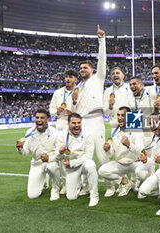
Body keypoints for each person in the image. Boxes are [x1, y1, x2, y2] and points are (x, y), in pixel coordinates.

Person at [71, 25, 107, 167]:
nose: (82, 70)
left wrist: (101, 40)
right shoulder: (78, 87)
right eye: (80, 68)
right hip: (82, 122)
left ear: (92, 70)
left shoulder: (98, 78)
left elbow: (102, 60)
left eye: (85, 67)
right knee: (83, 154)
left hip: (96, 120)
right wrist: (74, 102)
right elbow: (76, 108)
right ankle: (85, 185)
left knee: (101, 154)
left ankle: (114, 185)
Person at [99, 106, 151, 197]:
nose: (119, 118)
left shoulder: (136, 129)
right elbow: (111, 154)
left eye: (123, 115)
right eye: (118, 115)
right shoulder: (114, 131)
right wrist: (107, 149)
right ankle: (125, 182)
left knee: (142, 174)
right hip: (120, 164)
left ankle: (140, 185)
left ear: (129, 116)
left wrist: (129, 145)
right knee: (102, 171)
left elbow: (141, 151)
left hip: (135, 163)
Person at [15, 108, 60, 201]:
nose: (39, 120)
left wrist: (49, 158)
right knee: (32, 195)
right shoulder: (29, 132)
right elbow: (26, 152)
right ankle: (44, 180)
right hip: (36, 165)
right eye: (37, 117)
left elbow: (60, 154)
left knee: (52, 167)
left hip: (50, 162)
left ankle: (55, 189)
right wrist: (20, 149)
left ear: (48, 119)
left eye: (42, 118)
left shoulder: (55, 133)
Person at [55, 113, 99, 206]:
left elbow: (88, 156)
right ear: (68, 123)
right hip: (70, 168)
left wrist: (72, 163)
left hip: (82, 164)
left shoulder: (88, 135)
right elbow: (57, 157)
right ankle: (81, 185)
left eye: (79, 123)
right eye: (74, 123)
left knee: (91, 165)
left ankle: (94, 195)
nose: (77, 125)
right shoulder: (62, 135)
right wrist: (60, 152)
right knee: (71, 197)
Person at [49, 69, 78, 194]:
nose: (67, 79)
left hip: (74, 126)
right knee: (61, 155)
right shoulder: (58, 92)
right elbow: (50, 108)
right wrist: (57, 111)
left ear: (75, 79)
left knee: (74, 155)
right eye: (66, 77)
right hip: (60, 126)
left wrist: (74, 113)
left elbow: (83, 109)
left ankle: (78, 182)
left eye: (70, 77)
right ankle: (65, 184)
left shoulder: (79, 92)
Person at [103, 67, 134, 132]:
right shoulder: (107, 91)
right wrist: (110, 107)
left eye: (117, 73)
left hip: (129, 125)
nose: (115, 75)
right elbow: (105, 113)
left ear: (123, 76)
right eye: (113, 74)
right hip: (114, 126)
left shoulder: (130, 88)